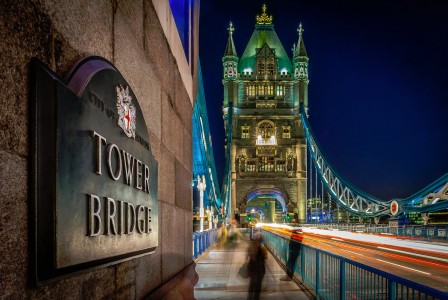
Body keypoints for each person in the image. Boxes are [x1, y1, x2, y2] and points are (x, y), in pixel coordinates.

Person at [247, 232, 267, 300]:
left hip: (252, 267)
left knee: (252, 284)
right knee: (258, 285)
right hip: (259, 268)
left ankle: (250, 298)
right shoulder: (262, 246)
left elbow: (248, 255)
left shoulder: (251, 245)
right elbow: (265, 256)